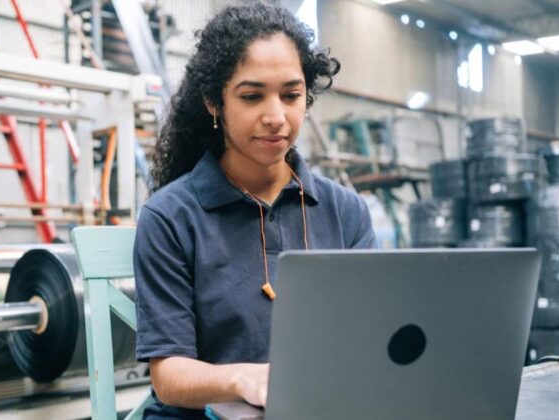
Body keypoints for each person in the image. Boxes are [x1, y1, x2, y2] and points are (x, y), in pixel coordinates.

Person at [133, 3, 377, 418]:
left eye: (291, 95)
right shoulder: (170, 218)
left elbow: (371, 335)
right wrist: (243, 379)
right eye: (251, 96)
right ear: (214, 102)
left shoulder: (345, 212)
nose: (276, 117)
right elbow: (168, 376)